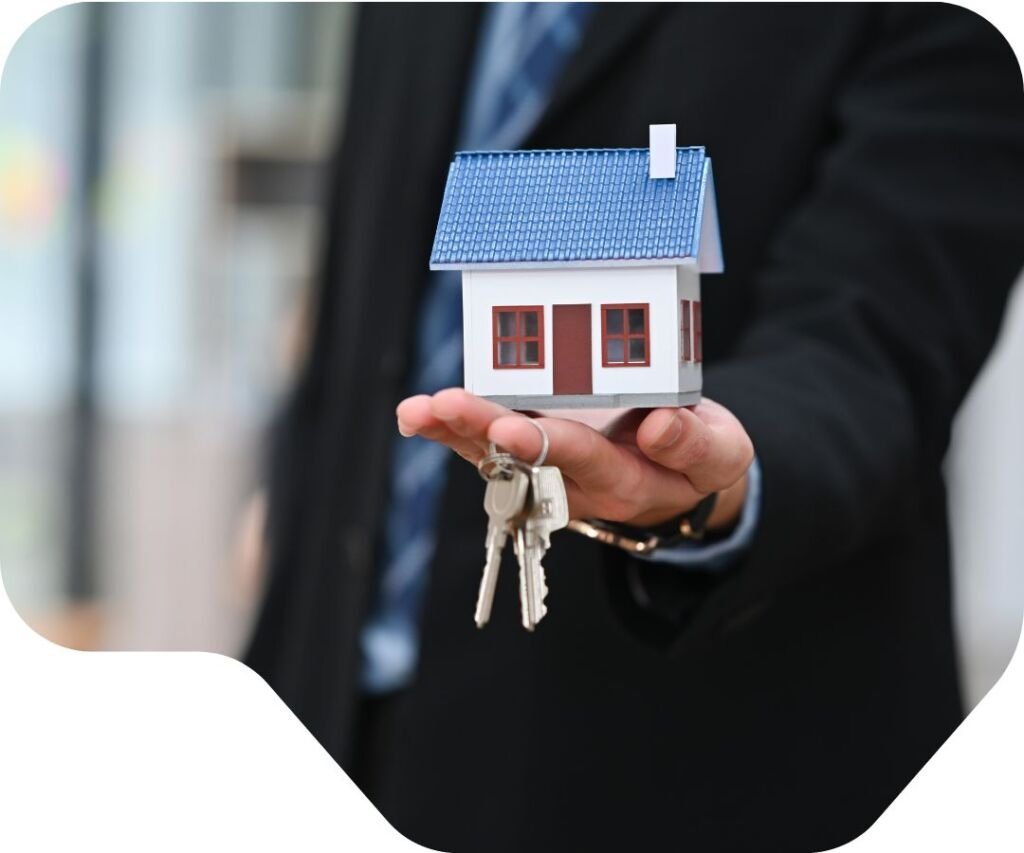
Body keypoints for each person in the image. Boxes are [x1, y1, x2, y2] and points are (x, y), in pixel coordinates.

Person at [244, 4, 1024, 851]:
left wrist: (718, 472)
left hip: (685, 765)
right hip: (331, 724)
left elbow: (879, 331)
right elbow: (366, 282)